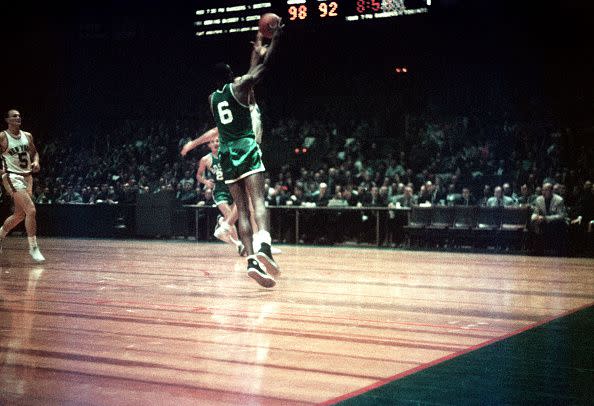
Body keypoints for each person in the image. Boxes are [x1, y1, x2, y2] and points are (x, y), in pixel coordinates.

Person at [208, 25, 283, 287]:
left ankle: (251, 260)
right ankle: (265, 245)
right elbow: (261, 71)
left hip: (227, 154)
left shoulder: (213, 99)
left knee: (240, 208)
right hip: (245, 146)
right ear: (230, 75)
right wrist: (272, 43)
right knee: (258, 202)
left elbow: (250, 73)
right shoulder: (239, 87)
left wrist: (255, 49)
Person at [0, 109, 45, 262]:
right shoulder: (2, 136)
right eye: (14, 116)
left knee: (20, 215)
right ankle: (33, 247)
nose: (18, 118)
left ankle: (0, 235)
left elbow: (35, 153)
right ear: (7, 120)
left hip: (27, 177)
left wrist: (36, 162)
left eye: (19, 115)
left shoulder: (27, 136)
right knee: (31, 210)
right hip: (12, 176)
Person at [195, 133, 246, 256]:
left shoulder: (227, 155)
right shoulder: (206, 159)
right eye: (213, 141)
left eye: (218, 141)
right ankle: (239, 244)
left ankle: (222, 222)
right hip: (219, 191)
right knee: (230, 215)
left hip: (232, 188)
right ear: (209, 145)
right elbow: (198, 175)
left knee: (236, 215)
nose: (216, 143)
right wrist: (206, 181)